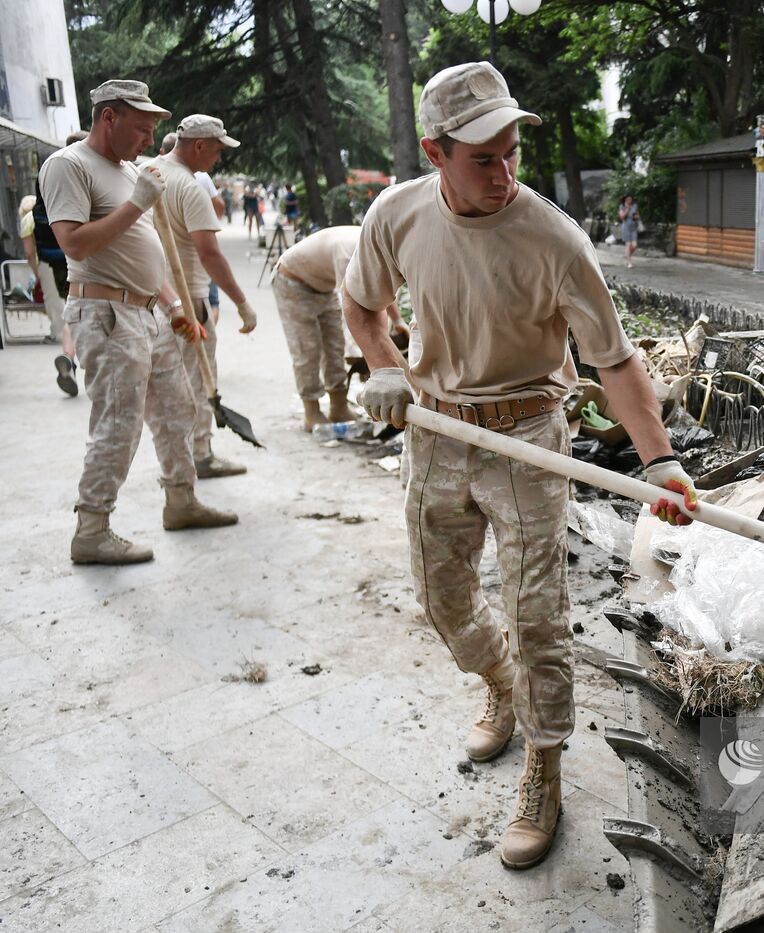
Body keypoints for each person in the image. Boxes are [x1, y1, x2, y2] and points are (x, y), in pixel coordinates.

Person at [344, 61, 698, 871]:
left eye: (511, 153)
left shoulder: (552, 238)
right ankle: (499, 682)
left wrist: (663, 461)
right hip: (436, 429)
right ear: (435, 153)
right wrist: (382, 364)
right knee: (443, 599)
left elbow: (614, 361)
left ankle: (545, 761)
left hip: (528, 436)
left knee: (538, 611)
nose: (504, 173)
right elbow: (361, 302)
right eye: (482, 158)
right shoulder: (394, 216)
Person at [39, 79, 238, 565]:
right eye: (142, 128)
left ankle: (181, 501)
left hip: (148, 312)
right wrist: (138, 202)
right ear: (109, 117)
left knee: (178, 411)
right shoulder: (68, 166)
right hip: (105, 315)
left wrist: (173, 306)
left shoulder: (129, 170)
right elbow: (76, 244)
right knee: (119, 425)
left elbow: (145, 252)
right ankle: (92, 528)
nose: (151, 140)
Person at [157, 114, 260, 478]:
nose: (218, 160)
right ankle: (200, 455)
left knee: (169, 385)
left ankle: (181, 458)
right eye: (216, 151)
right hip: (189, 302)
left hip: (155, 298)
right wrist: (242, 303)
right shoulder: (189, 187)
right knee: (198, 380)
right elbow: (209, 253)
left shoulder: (149, 173)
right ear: (199, 146)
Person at [274, 225, 406, 429]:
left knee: (334, 346)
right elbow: (355, 311)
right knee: (307, 349)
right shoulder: (350, 254)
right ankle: (312, 411)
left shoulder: (379, 250)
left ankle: (338, 406)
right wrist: (373, 356)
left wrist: (397, 321)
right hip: (293, 282)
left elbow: (382, 290)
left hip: (322, 287)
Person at [19, 194, 77, 394]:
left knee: (61, 307)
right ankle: (70, 357)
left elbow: (28, 251)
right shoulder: (65, 207)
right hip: (72, 261)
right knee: (75, 306)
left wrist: (36, 273)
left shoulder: (29, 219)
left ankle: (65, 350)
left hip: (46, 264)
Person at [618, 194, 640, 268]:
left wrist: (636, 216)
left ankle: (627, 255)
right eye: (628, 199)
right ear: (625, 200)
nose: (629, 201)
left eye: (630, 199)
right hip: (626, 227)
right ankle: (629, 262)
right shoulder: (622, 206)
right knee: (628, 244)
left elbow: (637, 215)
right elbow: (622, 217)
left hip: (634, 227)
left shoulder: (635, 206)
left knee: (634, 245)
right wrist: (627, 209)